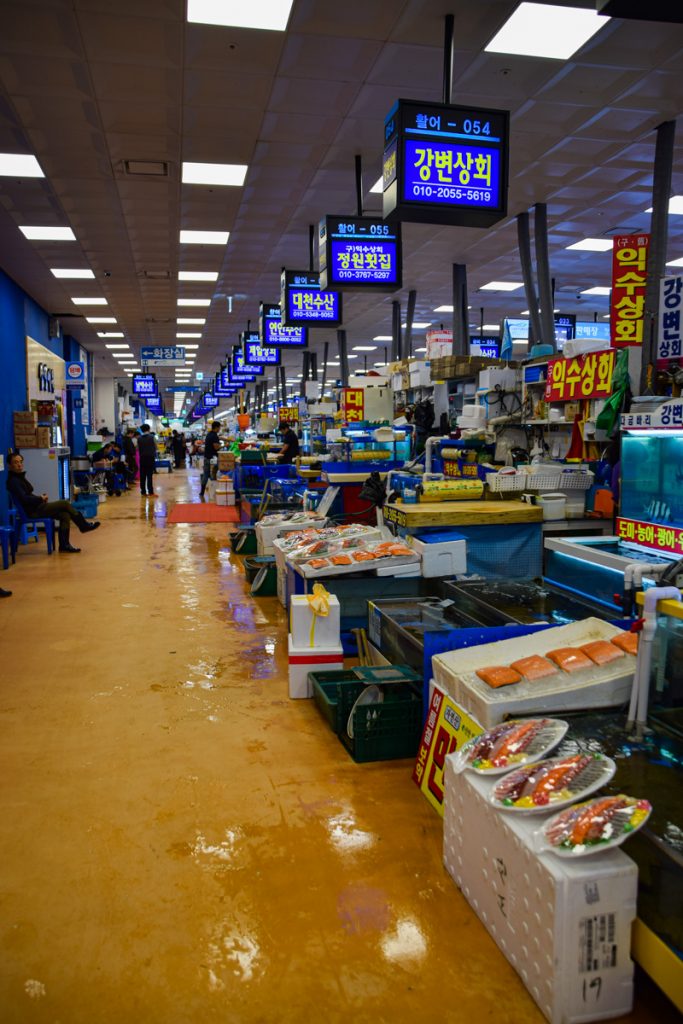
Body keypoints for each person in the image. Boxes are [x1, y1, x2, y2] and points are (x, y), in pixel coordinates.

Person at [6, 451, 100, 553]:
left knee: (65, 515)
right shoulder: (13, 481)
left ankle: (64, 545)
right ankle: (83, 525)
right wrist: (40, 499)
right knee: (64, 503)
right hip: (32, 511)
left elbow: (27, 496)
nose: (19, 464)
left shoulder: (19, 478)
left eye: (20, 461)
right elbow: (25, 499)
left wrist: (40, 498)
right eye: (15, 462)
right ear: (9, 465)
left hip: (36, 507)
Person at [200, 421, 221, 498]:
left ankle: (202, 492)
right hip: (213, 459)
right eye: (219, 427)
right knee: (214, 474)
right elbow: (216, 447)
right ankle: (213, 492)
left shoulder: (209, 434)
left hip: (206, 457)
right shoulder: (214, 436)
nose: (220, 429)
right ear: (216, 427)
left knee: (206, 474)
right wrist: (223, 445)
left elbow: (218, 439)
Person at [137, 423, 156, 496]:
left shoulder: (139, 438)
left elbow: (137, 448)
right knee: (149, 475)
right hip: (150, 458)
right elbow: (156, 446)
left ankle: (143, 492)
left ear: (141, 430)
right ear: (149, 429)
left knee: (142, 475)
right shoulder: (152, 437)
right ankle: (150, 492)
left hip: (142, 458)